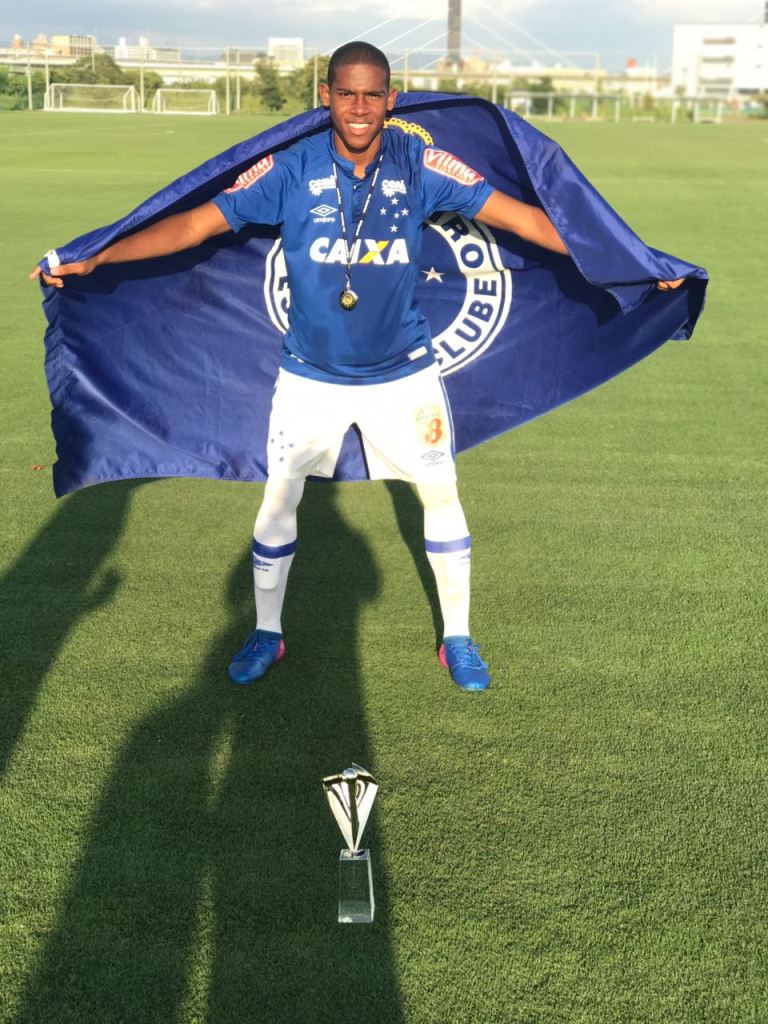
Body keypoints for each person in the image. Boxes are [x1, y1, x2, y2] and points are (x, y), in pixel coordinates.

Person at [32, 41, 682, 692]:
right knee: (278, 502)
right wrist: (101, 256)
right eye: (347, 93)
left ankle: (458, 638)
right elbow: (194, 227)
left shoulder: (420, 164)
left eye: (373, 95)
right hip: (309, 378)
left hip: (405, 375)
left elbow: (523, 221)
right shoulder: (290, 168)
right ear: (327, 97)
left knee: (441, 496)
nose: (360, 107)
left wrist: (631, 260)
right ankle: (267, 633)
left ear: (391, 100)